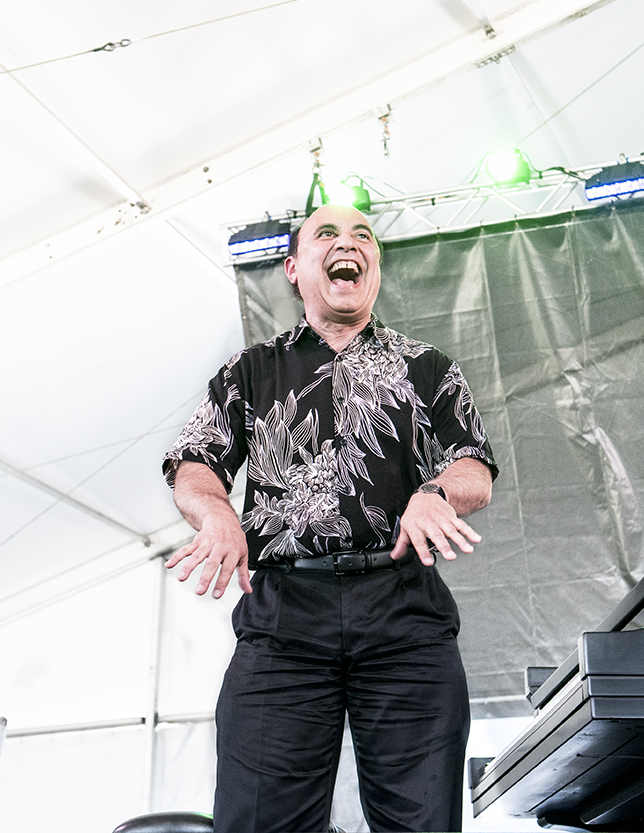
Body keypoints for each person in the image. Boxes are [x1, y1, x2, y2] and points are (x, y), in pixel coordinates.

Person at [162, 203, 497, 833]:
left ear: (373, 268)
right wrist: (216, 512)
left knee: (424, 822)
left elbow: (473, 468)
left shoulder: (429, 369)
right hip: (286, 614)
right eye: (327, 234)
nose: (349, 242)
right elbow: (193, 464)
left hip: (402, 611)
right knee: (259, 820)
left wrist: (436, 495)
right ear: (294, 267)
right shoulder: (250, 371)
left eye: (362, 235)